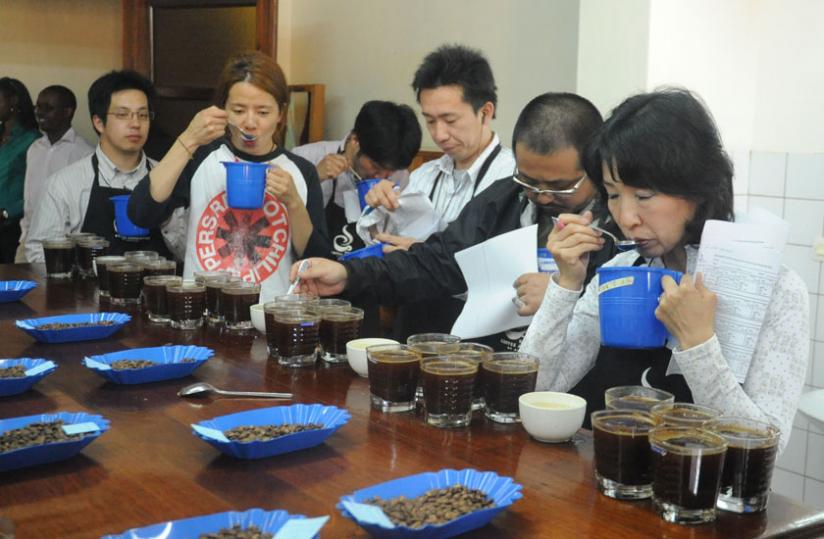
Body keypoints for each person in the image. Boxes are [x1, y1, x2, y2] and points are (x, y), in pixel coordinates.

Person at [519, 89, 808, 452]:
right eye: (612, 193)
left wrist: (698, 344)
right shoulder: (622, 271)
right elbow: (536, 389)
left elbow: (765, 448)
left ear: (697, 190)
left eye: (643, 196)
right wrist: (566, 284)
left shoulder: (777, 290)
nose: (626, 218)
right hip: (615, 485)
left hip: (701, 500)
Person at [289, 93, 618, 350]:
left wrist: (566, 296)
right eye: (529, 181)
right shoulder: (502, 199)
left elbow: (643, 305)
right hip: (492, 369)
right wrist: (347, 274)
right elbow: (436, 261)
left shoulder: (621, 221)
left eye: (561, 187)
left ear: (595, 166)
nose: (543, 196)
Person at [128, 51, 330, 300]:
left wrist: (294, 203)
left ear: (281, 114)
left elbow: (318, 263)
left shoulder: (300, 171)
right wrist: (189, 139)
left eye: (263, 112)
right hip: (201, 309)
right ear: (223, 109)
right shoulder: (201, 157)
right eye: (239, 110)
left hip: (271, 315)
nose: (250, 122)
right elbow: (141, 213)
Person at [358, 44, 515, 252]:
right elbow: (383, 241)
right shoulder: (423, 177)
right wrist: (381, 207)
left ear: (485, 113)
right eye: (430, 121)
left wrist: (424, 254)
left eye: (450, 120)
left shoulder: (513, 175)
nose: (439, 135)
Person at [26, 71, 185, 262]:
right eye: (122, 114)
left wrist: (164, 214)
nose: (135, 124)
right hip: (84, 290)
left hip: (155, 290)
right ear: (99, 122)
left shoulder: (170, 178)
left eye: (143, 115)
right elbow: (39, 254)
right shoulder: (64, 184)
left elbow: (189, 253)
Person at [292, 100, 421, 258]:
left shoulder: (401, 177)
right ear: (355, 140)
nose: (381, 176)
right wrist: (313, 177)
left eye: (390, 171)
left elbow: (403, 234)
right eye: (375, 166)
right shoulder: (305, 158)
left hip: (366, 273)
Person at [16, 85, 93, 262]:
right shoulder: (34, 148)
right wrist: (24, 235)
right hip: (28, 242)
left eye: (48, 108)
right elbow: (29, 198)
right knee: (19, 289)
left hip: (62, 248)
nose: (39, 113)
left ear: (68, 112)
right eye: (38, 107)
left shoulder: (84, 153)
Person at [0, 78, 40, 262]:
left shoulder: (33, 140)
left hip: (12, 226)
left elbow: (37, 188)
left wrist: (7, 212)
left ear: (13, 101)